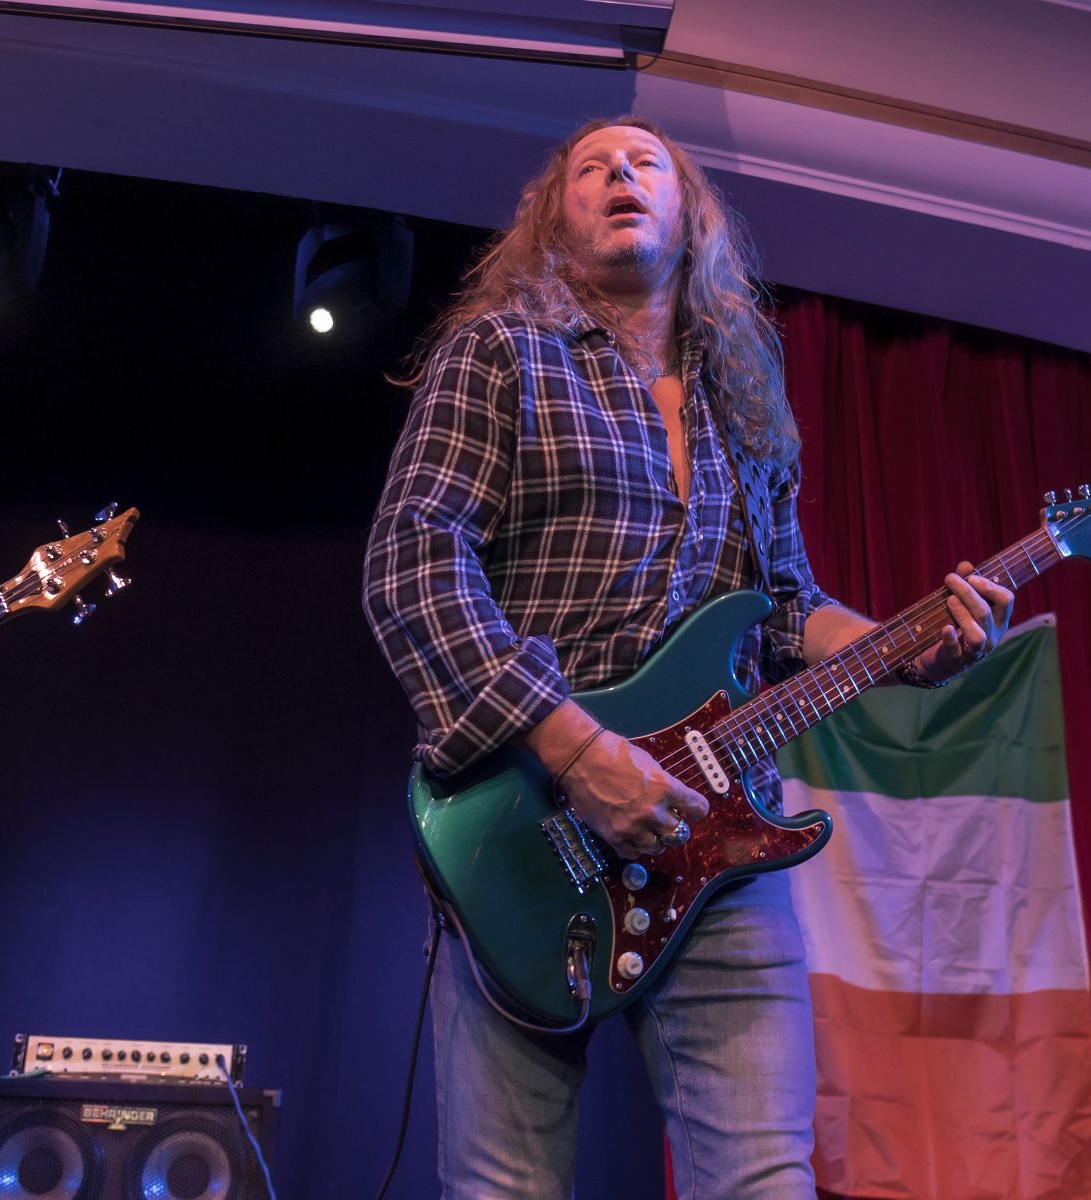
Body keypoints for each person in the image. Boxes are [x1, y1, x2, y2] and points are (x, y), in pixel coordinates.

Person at [362, 116, 1014, 1198]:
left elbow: (784, 610)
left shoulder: (745, 398)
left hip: (718, 835)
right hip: (524, 817)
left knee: (765, 1177)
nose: (620, 173)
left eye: (646, 162)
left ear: (691, 213)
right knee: (504, 1187)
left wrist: (909, 647)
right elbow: (414, 564)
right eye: (591, 167)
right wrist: (580, 752)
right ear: (554, 220)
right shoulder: (501, 352)